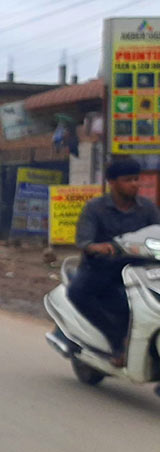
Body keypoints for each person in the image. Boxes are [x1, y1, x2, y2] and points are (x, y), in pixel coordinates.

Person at [69, 156, 160, 364]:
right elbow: (84, 241)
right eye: (128, 180)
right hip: (102, 269)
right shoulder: (95, 208)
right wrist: (98, 247)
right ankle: (117, 342)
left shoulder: (147, 208)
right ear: (112, 182)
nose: (134, 184)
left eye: (137, 179)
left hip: (140, 268)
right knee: (78, 293)